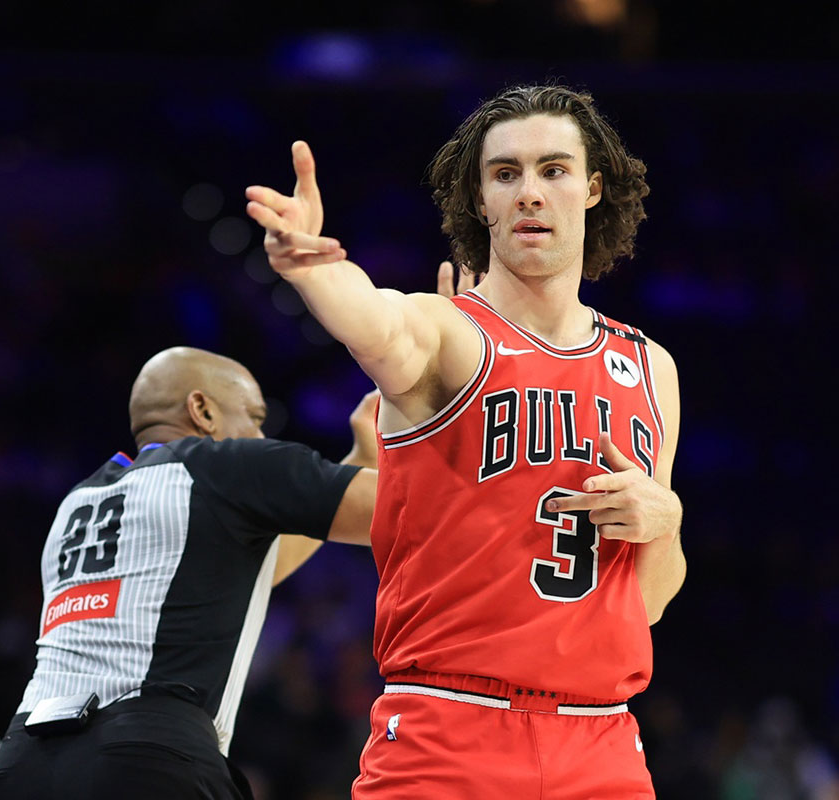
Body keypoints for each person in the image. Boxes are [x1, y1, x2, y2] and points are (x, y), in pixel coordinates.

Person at [246, 84, 686, 798]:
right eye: (505, 174)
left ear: (593, 187)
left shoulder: (647, 366)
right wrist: (315, 271)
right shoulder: (449, 332)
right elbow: (376, 322)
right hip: (451, 731)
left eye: (553, 170)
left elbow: (650, 601)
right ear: (481, 202)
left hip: (603, 742)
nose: (530, 193)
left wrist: (664, 524)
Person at [0, 346, 378, 800]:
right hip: (148, 758)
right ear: (202, 409)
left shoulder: (79, 502)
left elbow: (239, 579)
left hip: (21, 764)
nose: (259, 433)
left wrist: (360, 458)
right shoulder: (223, 466)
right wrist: (447, 403)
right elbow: (411, 509)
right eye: (253, 416)